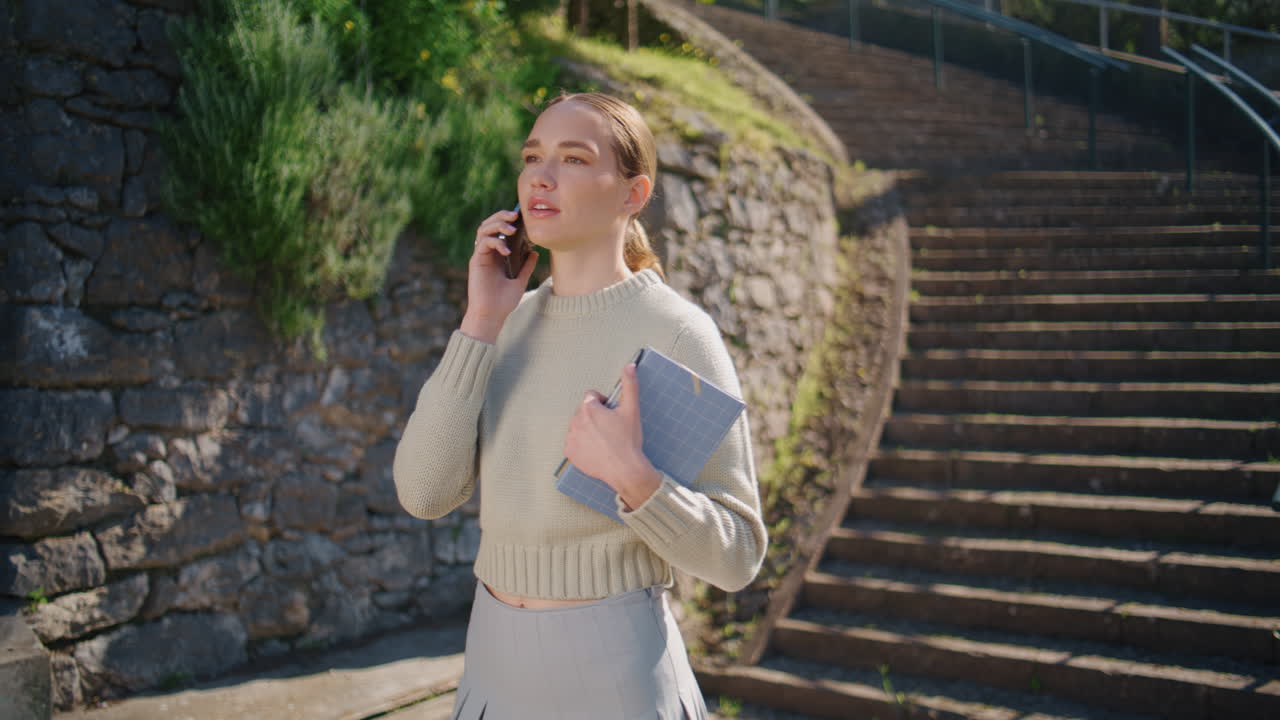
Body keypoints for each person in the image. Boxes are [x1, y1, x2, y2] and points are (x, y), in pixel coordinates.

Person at [392, 91, 768, 720]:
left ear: (633, 194)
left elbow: (737, 558)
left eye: (572, 158)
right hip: (489, 663)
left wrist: (635, 478)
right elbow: (423, 493)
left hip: (616, 669)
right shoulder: (506, 321)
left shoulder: (678, 333)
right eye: (533, 156)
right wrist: (480, 320)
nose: (540, 175)